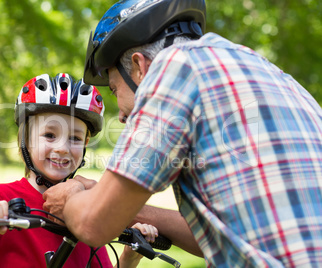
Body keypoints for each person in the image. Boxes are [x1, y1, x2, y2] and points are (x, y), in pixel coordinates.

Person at [42, 0, 322, 267]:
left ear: (140, 67)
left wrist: (72, 197)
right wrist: (114, 201)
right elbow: (225, 238)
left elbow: (94, 224)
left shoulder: (175, 69)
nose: (122, 115)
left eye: (115, 90)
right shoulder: (273, 75)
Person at [0, 73, 160, 268]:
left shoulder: (87, 207)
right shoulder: (0, 198)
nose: (62, 148)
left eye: (74, 138)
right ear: (26, 140)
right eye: (50, 135)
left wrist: (130, 257)